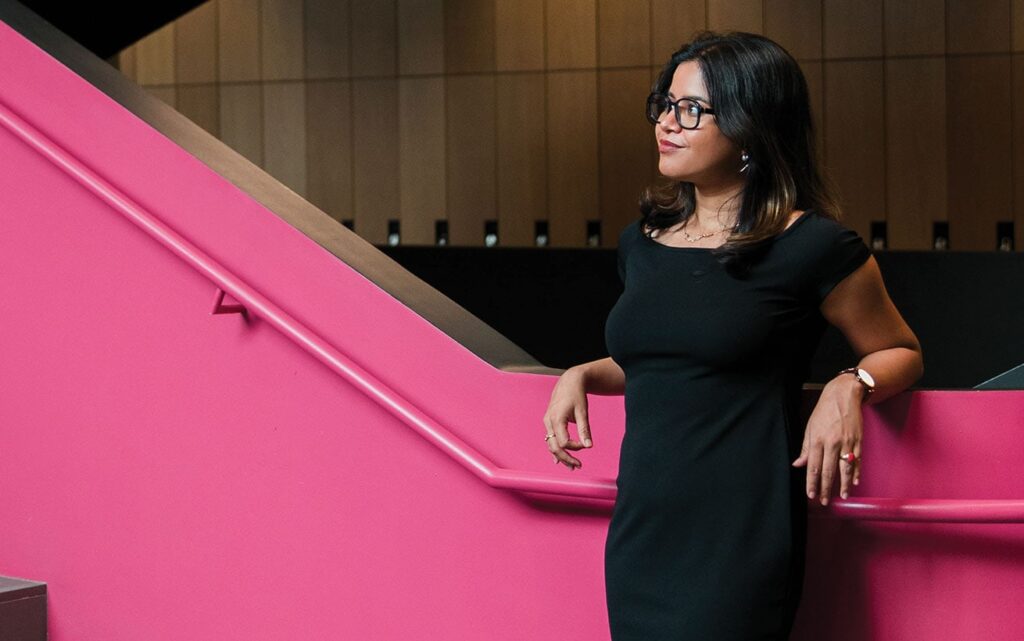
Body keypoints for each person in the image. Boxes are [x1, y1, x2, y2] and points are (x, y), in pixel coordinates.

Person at [542, 32, 924, 640]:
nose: (668, 123)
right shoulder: (641, 243)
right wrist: (583, 373)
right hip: (643, 528)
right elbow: (669, 359)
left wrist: (849, 386)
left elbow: (900, 351)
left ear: (751, 127)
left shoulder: (814, 247)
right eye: (664, 105)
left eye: (691, 110)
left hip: (738, 536)